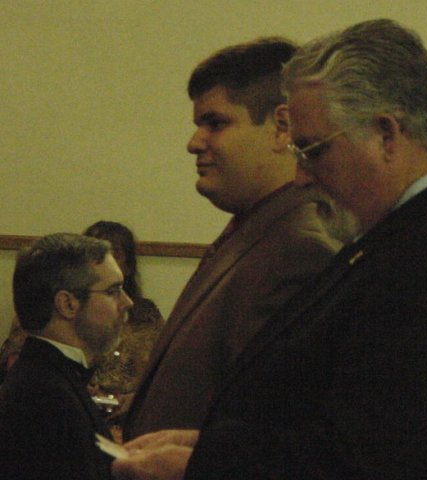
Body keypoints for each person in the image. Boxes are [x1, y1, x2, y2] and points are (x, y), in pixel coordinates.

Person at [112, 19, 427, 480]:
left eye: (313, 150)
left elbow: (371, 464)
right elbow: (326, 424)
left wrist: (203, 465)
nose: (301, 175)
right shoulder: (411, 238)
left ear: (386, 134)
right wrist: (209, 444)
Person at [122, 37, 346, 440]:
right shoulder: (259, 228)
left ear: (282, 128)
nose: (194, 142)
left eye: (216, 123)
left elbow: (265, 426)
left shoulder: (301, 249)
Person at [0, 233, 133, 480]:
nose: (127, 302)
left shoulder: (49, 377)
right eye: (113, 291)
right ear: (67, 304)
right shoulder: (45, 398)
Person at [84, 221, 164, 429]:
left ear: (128, 266)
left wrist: (138, 399)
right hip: (81, 413)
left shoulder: (146, 315)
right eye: (96, 255)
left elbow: (165, 374)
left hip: (134, 418)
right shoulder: (68, 309)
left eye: (114, 254)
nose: (104, 262)